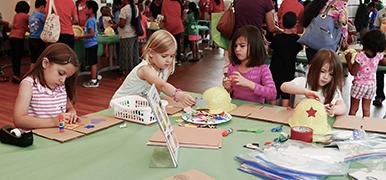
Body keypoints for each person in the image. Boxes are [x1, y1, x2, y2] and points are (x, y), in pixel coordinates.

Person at [110, 30, 196, 107]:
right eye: (164, 56)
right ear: (151, 53)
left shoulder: (165, 68)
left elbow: (157, 92)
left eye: (172, 56)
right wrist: (179, 95)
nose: (168, 60)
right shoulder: (145, 69)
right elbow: (162, 86)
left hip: (137, 108)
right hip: (119, 106)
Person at [13, 43, 79, 129]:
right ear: (45, 63)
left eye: (67, 77)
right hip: (36, 139)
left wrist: (71, 112)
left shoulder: (60, 86)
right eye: (61, 73)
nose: (63, 80)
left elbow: (69, 107)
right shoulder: (29, 84)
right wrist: (53, 121)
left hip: (57, 136)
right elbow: (19, 120)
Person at [281, 49, 346, 116]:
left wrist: (333, 110)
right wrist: (305, 92)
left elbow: (343, 108)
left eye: (331, 74)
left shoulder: (332, 89)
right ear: (312, 68)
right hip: (299, 122)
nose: (326, 77)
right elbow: (284, 87)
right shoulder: (303, 82)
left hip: (318, 124)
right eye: (322, 71)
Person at [223, 25, 276, 104]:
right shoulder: (232, 68)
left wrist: (248, 83)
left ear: (255, 46)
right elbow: (230, 94)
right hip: (236, 110)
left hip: (255, 112)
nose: (237, 49)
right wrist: (227, 88)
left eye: (242, 46)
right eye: (235, 46)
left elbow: (272, 94)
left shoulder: (262, 69)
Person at [345, 30, 386, 117]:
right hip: (371, 86)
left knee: (353, 109)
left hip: (359, 85)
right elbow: (384, 61)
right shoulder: (378, 55)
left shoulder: (360, 56)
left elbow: (353, 72)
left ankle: (349, 128)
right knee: (366, 109)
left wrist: (348, 59)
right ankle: (365, 128)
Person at [269, 12, 303, 107]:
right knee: (286, 94)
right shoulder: (297, 39)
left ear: (282, 23)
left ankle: (270, 113)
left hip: (275, 69)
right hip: (288, 69)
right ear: (295, 24)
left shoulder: (277, 38)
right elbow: (300, 49)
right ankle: (284, 115)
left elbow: (270, 50)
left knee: (274, 93)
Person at [78, 0, 99, 88]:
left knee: (92, 63)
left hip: (91, 44)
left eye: (86, 8)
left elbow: (91, 34)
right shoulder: (91, 19)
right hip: (92, 44)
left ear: (91, 10)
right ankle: (95, 77)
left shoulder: (90, 20)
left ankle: (94, 81)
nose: (84, 9)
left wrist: (80, 36)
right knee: (93, 62)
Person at [9, 1, 30, 84]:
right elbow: (31, 24)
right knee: (18, 56)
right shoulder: (26, 16)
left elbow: (19, 26)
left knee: (14, 56)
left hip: (12, 36)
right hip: (18, 37)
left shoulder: (16, 15)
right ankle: (16, 76)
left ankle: (15, 73)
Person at [118, 0, 140, 75]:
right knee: (134, 53)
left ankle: (127, 72)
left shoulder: (124, 9)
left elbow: (122, 24)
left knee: (126, 54)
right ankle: (135, 71)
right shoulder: (135, 7)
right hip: (134, 33)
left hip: (126, 35)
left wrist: (116, 24)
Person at [161, 0, 184, 65]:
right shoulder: (178, 3)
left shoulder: (165, 1)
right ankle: (178, 59)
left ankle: (170, 60)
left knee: (169, 44)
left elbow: (163, 15)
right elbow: (180, 15)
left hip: (169, 25)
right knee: (177, 43)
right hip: (178, 25)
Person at [373, 5, 386, 107]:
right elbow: (376, 30)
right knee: (379, 71)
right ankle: (379, 96)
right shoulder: (380, 12)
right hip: (382, 47)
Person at [28, 0, 46, 71]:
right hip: (39, 39)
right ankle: (39, 75)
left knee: (33, 59)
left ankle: (31, 74)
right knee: (40, 59)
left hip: (31, 38)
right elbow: (46, 25)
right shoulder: (42, 16)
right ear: (42, 7)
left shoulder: (31, 16)